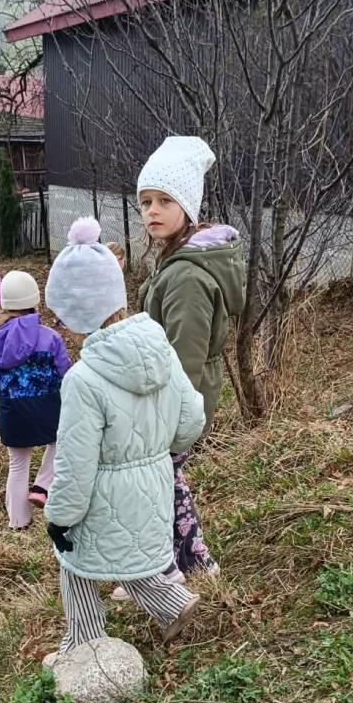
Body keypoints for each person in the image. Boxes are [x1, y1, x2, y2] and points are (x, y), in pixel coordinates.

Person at [43, 217, 206, 651]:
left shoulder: (82, 380)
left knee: (75, 561)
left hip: (102, 494)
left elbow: (75, 464)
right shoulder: (159, 347)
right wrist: (160, 448)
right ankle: (174, 604)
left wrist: (60, 517)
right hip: (154, 485)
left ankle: (83, 644)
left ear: (73, 312)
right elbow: (192, 418)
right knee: (127, 552)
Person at [135, 135, 245, 580]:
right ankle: (192, 561)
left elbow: (186, 356)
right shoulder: (176, 262)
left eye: (165, 201)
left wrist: (169, 415)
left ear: (188, 206)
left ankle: (166, 570)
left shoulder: (185, 277)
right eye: (146, 202)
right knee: (167, 479)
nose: (152, 211)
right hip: (177, 395)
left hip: (179, 397)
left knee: (157, 480)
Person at [0, 270, 70, 530]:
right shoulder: (50, 337)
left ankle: (18, 522)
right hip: (49, 408)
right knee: (60, 442)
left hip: (11, 411)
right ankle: (43, 486)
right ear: (35, 300)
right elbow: (65, 373)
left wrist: (1, 390)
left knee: (17, 466)